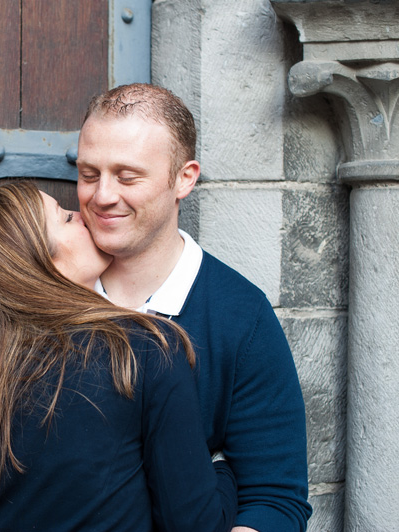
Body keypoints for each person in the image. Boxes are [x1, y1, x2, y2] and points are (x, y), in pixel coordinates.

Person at [0, 181, 238, 531]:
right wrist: (220, 467)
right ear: (40, 266)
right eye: (64, 218)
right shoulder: (141, 352)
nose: (80, 214)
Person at [75, 84, 312, 532]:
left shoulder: (242, 318)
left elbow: (275, 500)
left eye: (127, 177)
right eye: (89, 174)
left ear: (185, 177)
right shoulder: (36, 292)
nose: (102, 196)